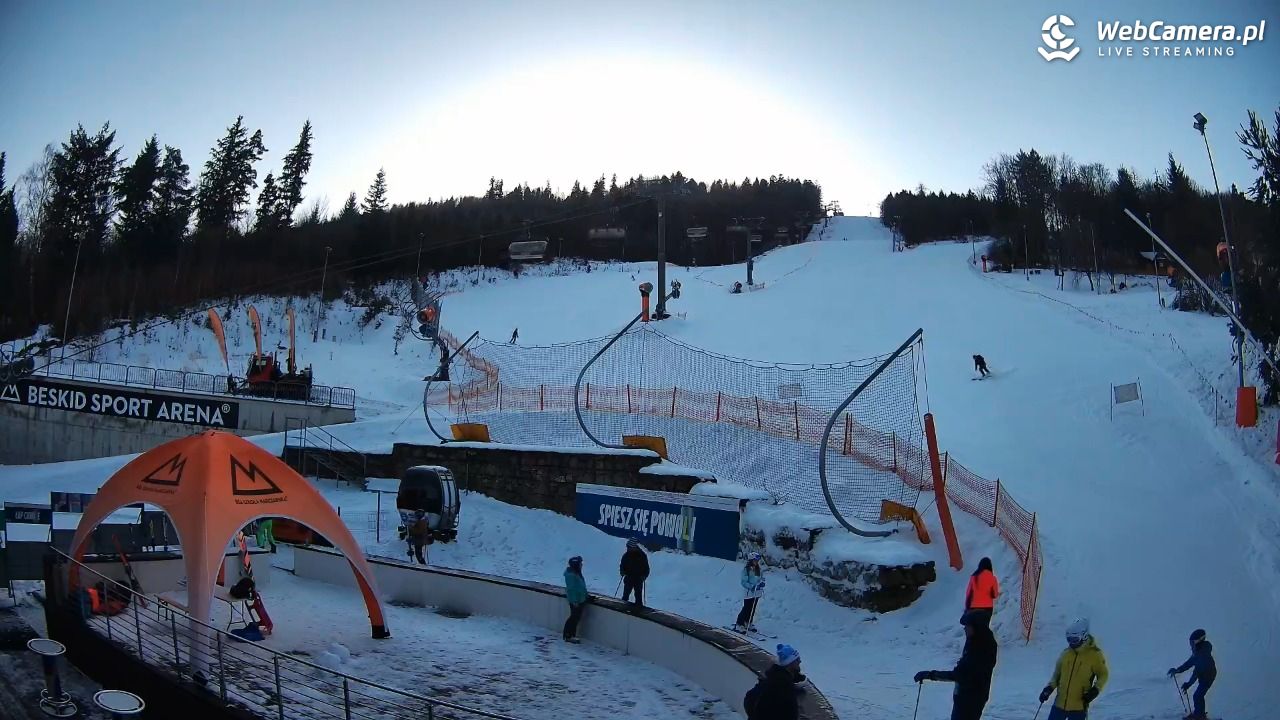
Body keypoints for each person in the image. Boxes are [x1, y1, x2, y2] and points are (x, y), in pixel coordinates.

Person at [915, 612, 998, 720]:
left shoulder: (981, 648)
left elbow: (960, 674)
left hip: (970, 699)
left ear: (976, 627)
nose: (965, 629)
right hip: (966, 696)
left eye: (967, 626)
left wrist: (930, 675)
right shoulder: (975, 642)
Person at [1039, 618, 1109, 720]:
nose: (1072, 643)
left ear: (1084, 636)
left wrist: (1096, 690)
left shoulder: (1095, 655)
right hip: (1059, 705)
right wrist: (1049, 689)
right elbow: (1057, 675)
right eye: (1069, 639)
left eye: (1075, 639)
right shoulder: (1066, 654)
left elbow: (1103, 674)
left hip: (1079, 706)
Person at [743, 644, 806, 720]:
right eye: (797, 659)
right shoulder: (782, 688)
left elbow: (749, 699)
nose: (800, 661)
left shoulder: (773, 678)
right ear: (790, 663)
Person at [1168, 628, 1216, 720]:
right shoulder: (1199, 652)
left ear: (1198, 642)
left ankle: (1200, 716)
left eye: (1192, 643)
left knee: (1197, 696)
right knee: (1198, 696)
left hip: (1208, 676)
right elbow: (1189, 663)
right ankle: (1199, 714)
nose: (1191, 646)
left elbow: (1196, 672)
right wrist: (1178, 670)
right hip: (1204, 675)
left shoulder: (1202, 655)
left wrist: (1189, 684)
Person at [963, 557, 1000, 627]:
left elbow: (968, 594)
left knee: (974, 629)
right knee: (984, 629)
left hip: (974, 609)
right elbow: (994, 595)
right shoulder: (993, 578)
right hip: (987, 609)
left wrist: (967, 609)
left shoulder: (974, 577)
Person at [734, 552, 765, 632]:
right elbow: (743, 582)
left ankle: (748, 622)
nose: (756, 562)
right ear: (751, 560)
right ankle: (739, 623)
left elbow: (761, 578)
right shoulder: (746, 570)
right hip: (749, 593)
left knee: (752, 608)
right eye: (755, 560)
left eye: (757, 560)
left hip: (756, 593)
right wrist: (752, 586)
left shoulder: (758, 569)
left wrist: (761, 583)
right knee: (746, 608)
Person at [563, 555, 588, 643]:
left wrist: (586, 596)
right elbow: (571, 590)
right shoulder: (571, 576)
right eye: (580, 564)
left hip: (580, 599)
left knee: (576, 617)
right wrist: (574, 601)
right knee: (574, 617)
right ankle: (568, 635)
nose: (582, 565)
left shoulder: (577, 574)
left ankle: (572, 634)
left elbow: (581, 587)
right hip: (576, 601)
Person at [619, 539, 650, 610]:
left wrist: (644, 576)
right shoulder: (626, 556)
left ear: (633, 547)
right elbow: (622, 565)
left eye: (629, 547)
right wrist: (622, 571)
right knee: (625, 595)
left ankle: (639, 611)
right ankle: (621, 609)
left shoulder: (642, 556)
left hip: (638, 579)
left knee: (638, 597)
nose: (627, 549)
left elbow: (646, 568)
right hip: (629, 578)